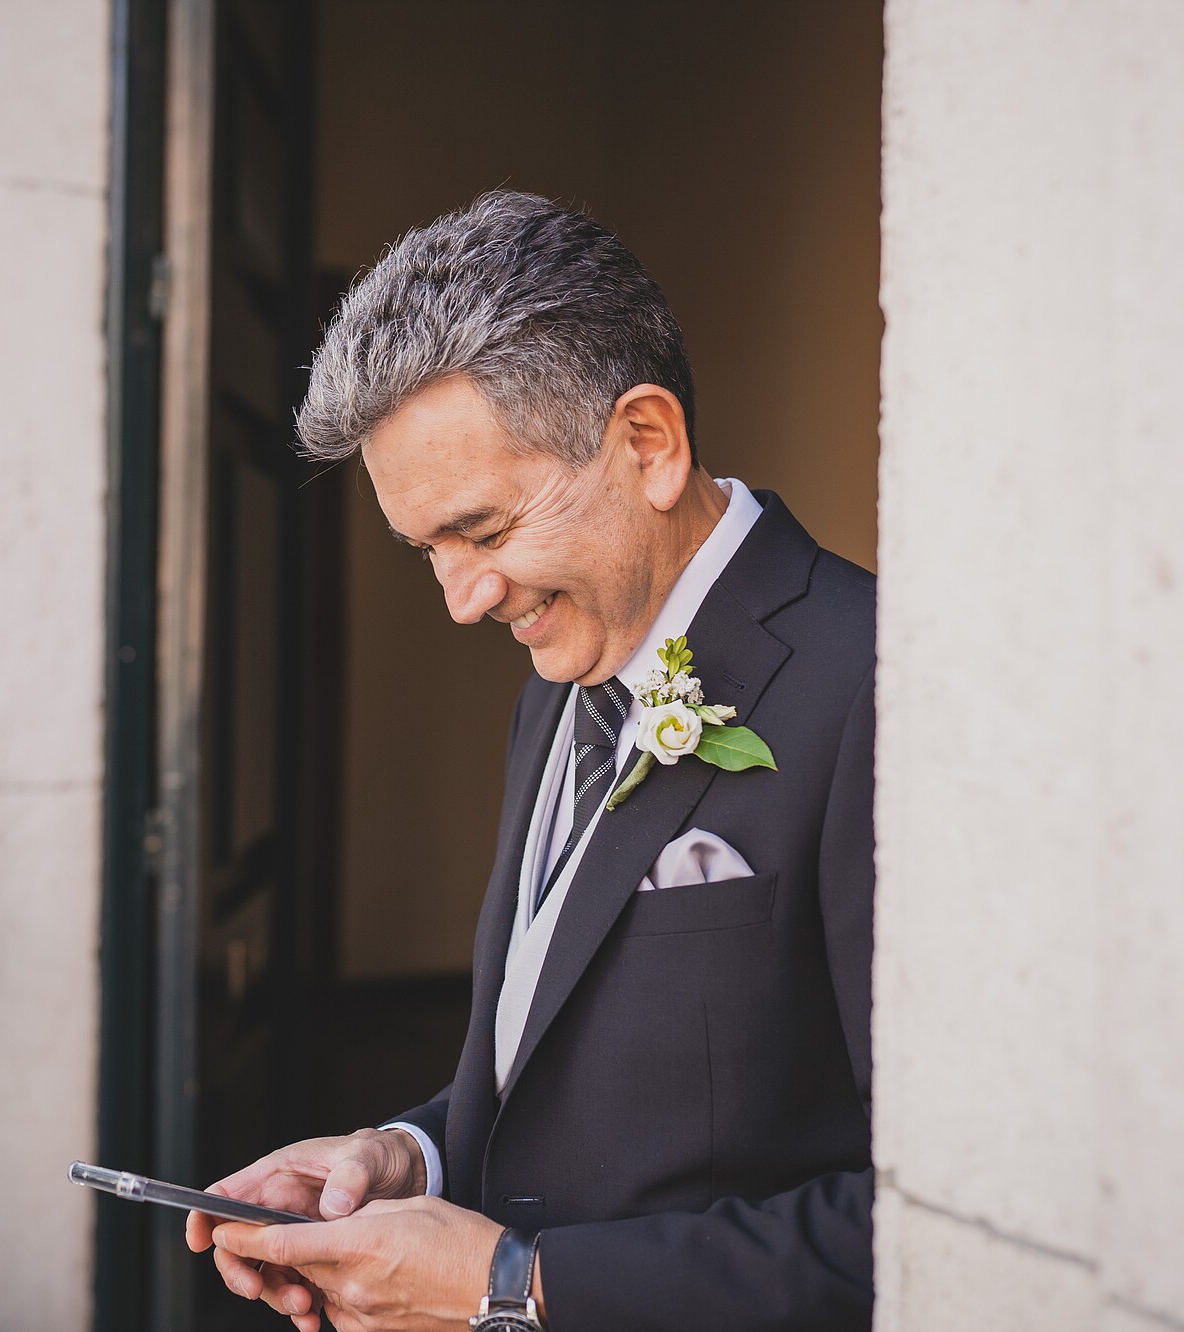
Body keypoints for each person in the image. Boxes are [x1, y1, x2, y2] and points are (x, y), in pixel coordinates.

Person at [186, 192, 876, 1331]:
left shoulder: (873, 685)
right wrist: (407, 1158)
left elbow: (929, 1220)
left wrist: (517, 1288)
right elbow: (565, 1068)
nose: (462, 601)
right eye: (428, 552)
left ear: (645, 444)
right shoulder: (554, 690)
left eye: (486, 532)